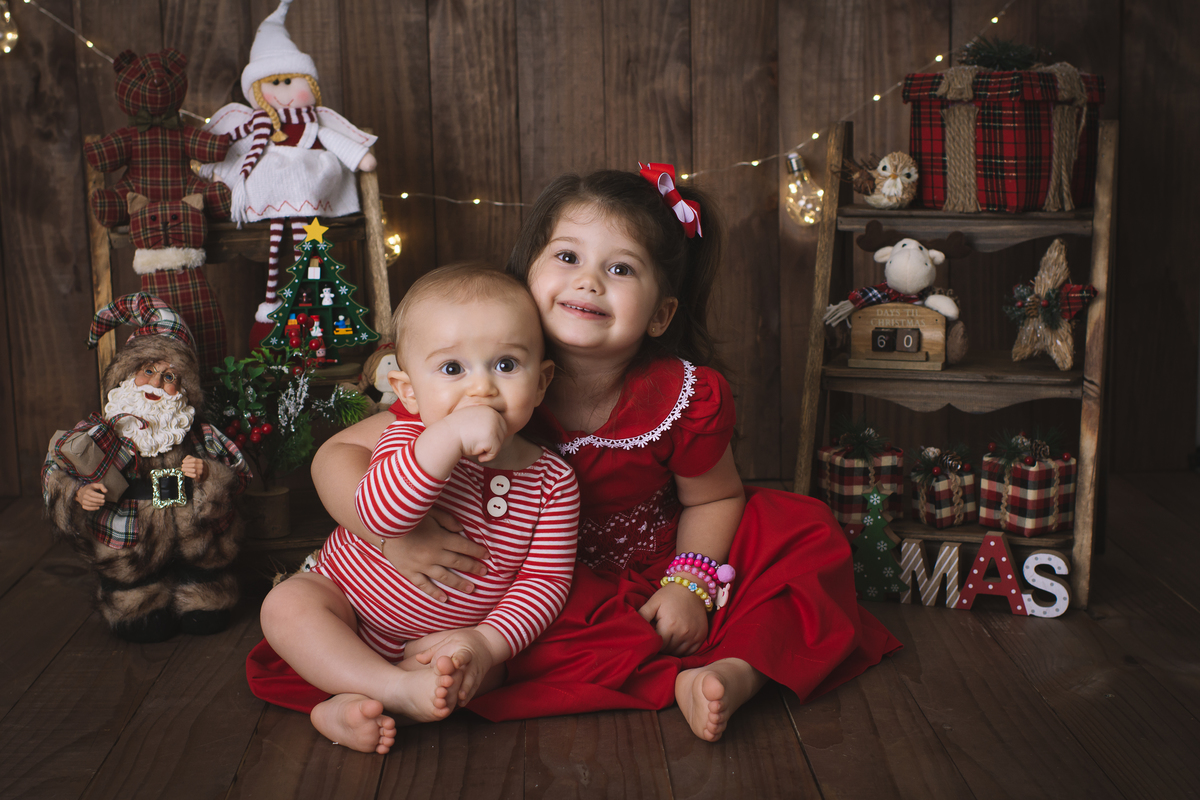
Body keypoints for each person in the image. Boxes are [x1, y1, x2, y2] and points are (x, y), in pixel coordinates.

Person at [249, 164, 901, 743]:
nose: (588, 281)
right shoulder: (478, 376)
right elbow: (336, 458)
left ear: (659, 313)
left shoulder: (681, 394)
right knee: (544, 639)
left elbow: (718, 495)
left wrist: (691, 580)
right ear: (525, 276)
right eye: (566, 257)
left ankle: (736, 672)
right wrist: (393, 540)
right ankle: (389, 684)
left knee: (805, 535)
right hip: (547, 585)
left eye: (620, 269)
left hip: (644, 559)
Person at [254, 264, 579, 754]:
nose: (482, 389)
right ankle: (390, 690)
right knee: (286, 606)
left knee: (479, 676)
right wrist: (444, 440)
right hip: (347, 607)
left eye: (506, 365)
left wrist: (484, 645)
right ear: (409, 392)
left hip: (447, 642)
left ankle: (358, 703)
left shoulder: (554, 482)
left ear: (542, 381)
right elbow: (383, 517)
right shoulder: (408, 439)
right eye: (452, 369)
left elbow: (545, 582)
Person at [42, 293, 250, 643]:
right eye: (148, 371)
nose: (155, 384)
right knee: (139, 608)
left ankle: (200, 593)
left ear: (184, 387)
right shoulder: (105, 432)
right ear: (128, 375)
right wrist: (77, 492)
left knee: (205, 599)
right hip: (131, 539)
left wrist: (209, 474)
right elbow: (55, 466)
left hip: (194, 539)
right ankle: (137, 600)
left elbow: (240, 474)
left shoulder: (197, 432)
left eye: (169, 376)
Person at [199, 0, 378, 347]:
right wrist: (205, 157)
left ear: (309, 83)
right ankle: (270, 305)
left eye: (290, 81)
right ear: (256, 91)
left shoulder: (315, 121)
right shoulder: (258, 124)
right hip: (272, 194)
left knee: (307, 246)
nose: (282, 90)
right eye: (273, 83)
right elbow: (227, 142)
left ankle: (306, 303)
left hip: (308, 190)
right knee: (275, 246)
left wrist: (361, 158)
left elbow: (337, 141)